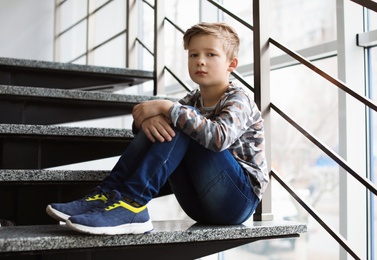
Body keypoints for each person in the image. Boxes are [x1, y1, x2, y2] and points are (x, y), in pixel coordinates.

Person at [46, 22, 268, 235]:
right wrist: (145, 121)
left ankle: (133, 204)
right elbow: (154, 130)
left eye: (210, 54)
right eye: (193, 54)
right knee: (174, 120)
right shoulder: (192, 100)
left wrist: (165, 106)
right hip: (196, 204)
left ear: (231, 64)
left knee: (180, 119)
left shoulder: (239, 99)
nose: (200, 61)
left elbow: (220, 138)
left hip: (236, 202)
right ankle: (108, 194)